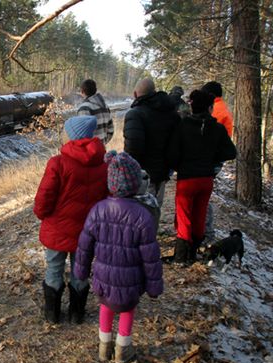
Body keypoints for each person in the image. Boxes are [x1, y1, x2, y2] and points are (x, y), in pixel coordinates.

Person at [74, 151, 163, 363]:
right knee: (127, 310)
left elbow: (84, 246)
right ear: (135, 184)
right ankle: (123, 350)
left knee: (105, 307)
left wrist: (81, 271)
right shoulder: (143, 216)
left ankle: (104, 348)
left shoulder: (98, 210)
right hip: (131, 279)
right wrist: (154, 286)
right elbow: (151, 256)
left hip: (103, 276)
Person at [34, 115, 108, 324]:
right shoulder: (103, 166)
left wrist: (42, 214)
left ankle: (52, 315)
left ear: (73, 136)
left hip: (58, 229)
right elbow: (106, 199)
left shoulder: (57, 163)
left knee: (54, 268)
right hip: (87, 231)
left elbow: (44, 197)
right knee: (80, 270)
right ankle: (77, 314)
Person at [167, 90, 237, 263]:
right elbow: (231, 152)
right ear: (209, 107)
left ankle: (181, 257)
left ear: (192, 106)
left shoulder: (182, 126)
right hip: (206, 179)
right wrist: (212, 159)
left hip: (187, 178)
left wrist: (180, 166)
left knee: (184, 216)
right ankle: (194, 251)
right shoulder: (218, 128)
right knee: (200, 214)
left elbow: (171, 153)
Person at [123, 78, 181, 208]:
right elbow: (177, 144)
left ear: (135, 94)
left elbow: (133, 148)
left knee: (139, 215)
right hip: (162, 173)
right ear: (154, 92)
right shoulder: (172, 113)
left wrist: (129, 173)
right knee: (155, 212)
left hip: (142, 175)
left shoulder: (135, 114)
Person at [201, 81, 234, 241]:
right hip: (213, 159)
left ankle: (207, 234)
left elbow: (207, 136)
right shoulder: (221, 108)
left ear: (211, 95)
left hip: (210, 160)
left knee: (202, 196)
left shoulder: (216, 111)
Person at [77, 79, 115, 145]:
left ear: (82, 91)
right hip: (102, 150)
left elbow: (82, 134)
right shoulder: (105, 107)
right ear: (95, 90)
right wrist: (102, 143)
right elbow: (111, 130)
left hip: (89, 152)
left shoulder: (84, 108)